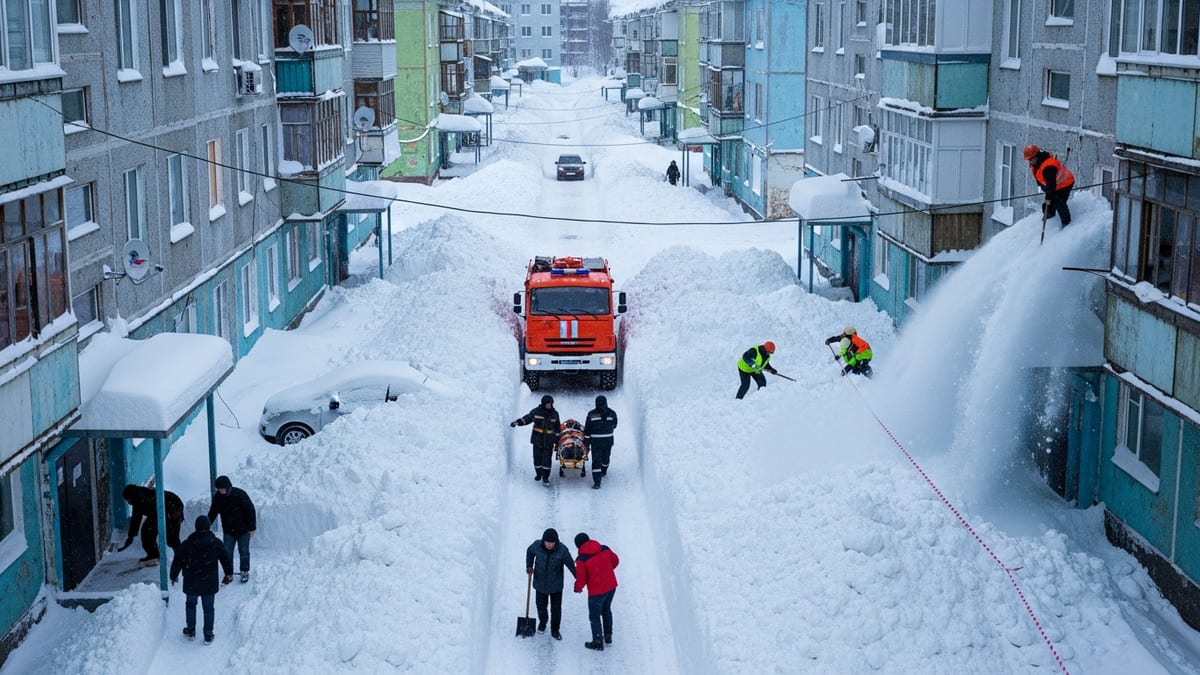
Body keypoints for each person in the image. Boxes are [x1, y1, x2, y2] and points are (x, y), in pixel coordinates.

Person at [170, 515, 234, 645]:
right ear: (208, 526)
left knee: (190, 605)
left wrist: (173, 575)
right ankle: (208, 635)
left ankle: (190, 630)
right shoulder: (215, 542)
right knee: (208, 608)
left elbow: (178, 560)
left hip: (191, 581)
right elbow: (225, 558)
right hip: (209, 582)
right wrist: (228, 573)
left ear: (196, 527)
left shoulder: (187, 543)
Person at [525, 528, 577, 641]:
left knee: (556, 609)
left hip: (556, 586)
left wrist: (579, 578)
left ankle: (555, 630)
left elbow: (571, 565)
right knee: (541, 606)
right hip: (540, 584)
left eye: (552, 542)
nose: (549, 545)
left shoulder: (562, 550)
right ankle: (543, 622)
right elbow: (529, 551)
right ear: (543, 541)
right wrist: (529, 566)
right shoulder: (537, 545)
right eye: (547, 542)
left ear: (556, 541)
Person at [206, 475, 257, 584]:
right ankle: (228, 573)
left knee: (244, 552)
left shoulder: (240, 494)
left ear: (228, 487)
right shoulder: (218, 498)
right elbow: (213, 512)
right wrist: (206, 525)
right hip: (228, 531)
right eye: (219, 489)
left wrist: (252, 528)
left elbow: (250, 510)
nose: (221, 491)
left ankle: (244, 571)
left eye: (222, 489)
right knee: (227, 553)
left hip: (243, 530)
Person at [573, 532, 619, 651]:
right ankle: (608, 636)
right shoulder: (604, 548)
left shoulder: (582, 559)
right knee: (606, 610)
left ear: (578, 546)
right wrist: (605, 571)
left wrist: (577, 588)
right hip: (611, 586)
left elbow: (581, 579)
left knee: (594, 616)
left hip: (596, 592)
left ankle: (598, 641)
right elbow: (615, 561)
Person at [117, 484, 184, 562]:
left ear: (133, 497)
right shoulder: (138, 501)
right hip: (155, 513)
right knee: (146, 533)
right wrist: (130, 537)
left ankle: (181, 558)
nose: (128, 503)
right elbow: (135, 520)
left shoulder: (150, 497)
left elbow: (169, 512)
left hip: (172, 508)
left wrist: (173, 521)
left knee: (172, 538)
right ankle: (153, 555)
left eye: (128, 500)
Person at [511, 395, 562, 486]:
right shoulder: (537, 412)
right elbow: (527, 418)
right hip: (537, 440)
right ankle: (539, 474)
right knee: (537, 458)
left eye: (550, 404)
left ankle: (546, 478)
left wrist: (557, 442)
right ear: (543, 404)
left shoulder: (555, 414)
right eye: (547, 404)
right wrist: (517, 422)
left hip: (549, 442)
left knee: (547, 460)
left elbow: (557, 429)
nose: (549, 405)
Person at [1024, 145, 1075, 226]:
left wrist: (1048, 197)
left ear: (1036, 156)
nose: (1030, 161)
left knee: (1058, 201)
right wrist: (1044, 188)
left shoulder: (1048, 167)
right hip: (1055, 184)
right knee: (1049, 203)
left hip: (1066, 183)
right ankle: (1050, 215)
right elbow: (1039, 177)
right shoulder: (1035, 164)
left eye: (1031, 159)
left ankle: (1066, 223)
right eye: (1028, 160)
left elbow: (1051, 186)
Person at [583, 395, 619, 489]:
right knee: (599, 460)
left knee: (601, 460)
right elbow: (614, 425)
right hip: (602, 442)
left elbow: (587, 429)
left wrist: (586, 442)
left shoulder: (592, 414)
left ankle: (601, 473)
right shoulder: (611, 413)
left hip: (600, 442)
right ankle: (598, 480)